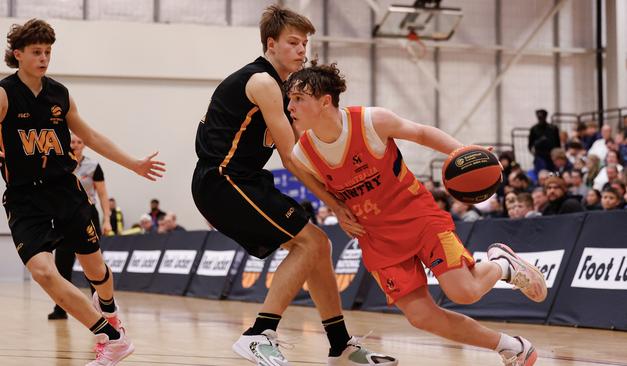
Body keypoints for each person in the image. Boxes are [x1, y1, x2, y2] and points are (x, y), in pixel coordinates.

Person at [287, 62, 547, 366]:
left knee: (464, 292)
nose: (290, 106)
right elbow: (311, 180)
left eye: (297, 98)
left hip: (418, 217)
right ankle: (512, 347)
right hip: (375, 237)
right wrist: (337, 208)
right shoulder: (302, 153)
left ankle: (503, 265)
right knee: (421, 316)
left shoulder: (371, 122)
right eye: (289, 99)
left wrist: (467, 154)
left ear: (324, 101)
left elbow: (422, 134)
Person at [190, 6, 393, 365]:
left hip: (243, 179)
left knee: (319, 245)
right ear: (271, 44)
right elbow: (293, 157)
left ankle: (340, 344)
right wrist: (337, 204)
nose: (301, 50)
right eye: (293, 42)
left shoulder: (286, 89)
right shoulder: (264, 83)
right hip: (223, 179)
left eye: (305, 43)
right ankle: (258, 334)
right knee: (311, 242)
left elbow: (313, 146)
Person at [0, 19, 165, 365]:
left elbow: (90, 136)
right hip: (23, 196)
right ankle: (111, 335)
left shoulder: (59, 94)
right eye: (36, 52)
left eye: (48, 52)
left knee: (96, 271)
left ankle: (108, 307)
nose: (44, 58)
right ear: (18, 55)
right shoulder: (3, 95)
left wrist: (132, 163)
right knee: (44, 272)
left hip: (65, 191)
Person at [47, 134, 113, 320]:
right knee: (62, 264)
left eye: (79, 142)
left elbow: (102, 193)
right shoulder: (58, 163)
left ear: (84, 145)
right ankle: (61, 308)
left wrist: (107, 219)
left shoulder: (93, 166)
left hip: (87, 214)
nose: (75, 144)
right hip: (63, 215)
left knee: (93, 265)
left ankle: (101, 307)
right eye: (73, 142)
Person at [528, 109, 560, 174]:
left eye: (542, 117)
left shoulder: (553, 128)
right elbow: (530, 145)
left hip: (551, 155)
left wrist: (556, 155)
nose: (541, 119)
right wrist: (534, 153)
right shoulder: (534, 129)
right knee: (541, 174)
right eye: (539, 117)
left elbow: (558, 143)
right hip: (540, 155)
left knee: (552, 174)